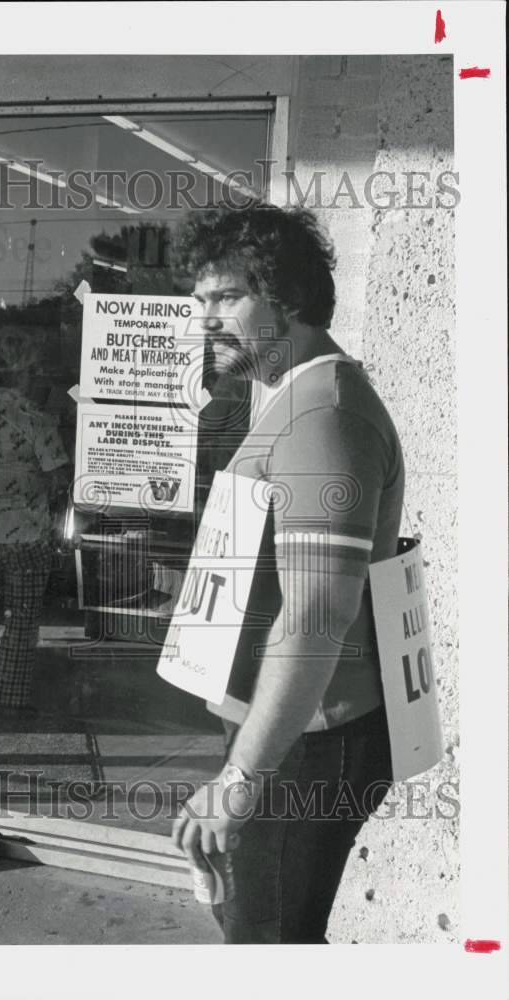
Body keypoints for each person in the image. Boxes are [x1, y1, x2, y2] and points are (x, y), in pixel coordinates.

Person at [170, 202, 403, 944]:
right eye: (198, 302)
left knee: (268, 946)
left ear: (290, 298)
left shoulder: (319, 417)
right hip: (294, 734)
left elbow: (315, 615)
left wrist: (240, 781)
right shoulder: (294, 400)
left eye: (227, 298)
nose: (204, 321)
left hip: (311, 739)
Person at [0, 324, 70, 714]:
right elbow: (58, 473)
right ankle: (7, 699)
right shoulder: (31, 416)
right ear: (21, 370)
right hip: (26, 538)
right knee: (20, 622)